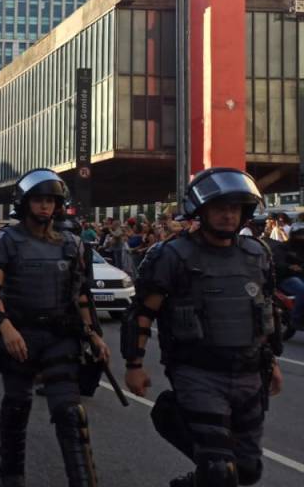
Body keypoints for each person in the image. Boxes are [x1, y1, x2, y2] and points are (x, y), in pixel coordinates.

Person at [122, 168, 283, 487]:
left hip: (250, 375)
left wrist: (272, 361)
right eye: (220, 208)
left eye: (235, 208)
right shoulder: (172, 256)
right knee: (219, 470)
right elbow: (142, 313)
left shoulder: (258, 254)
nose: (228, 215)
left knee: (248, 470)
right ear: (201, 211)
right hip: (198, 374)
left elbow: (264, 313)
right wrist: (134, 365)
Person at [0, 169, 108, 487]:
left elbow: (80, 295)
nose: (44, 206)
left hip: (59, 338)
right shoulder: (6, 242)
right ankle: (11, 475)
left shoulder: (72, 245)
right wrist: (6, 328)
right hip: (19, 337)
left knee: (71, 413)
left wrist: (93, 334)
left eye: (50, 200)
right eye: (38, 199)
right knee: (17, 406)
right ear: (25, 203)